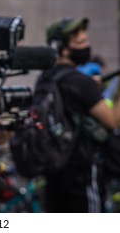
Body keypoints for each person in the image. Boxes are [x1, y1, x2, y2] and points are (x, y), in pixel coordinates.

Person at [42, 17, 120, 212]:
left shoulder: (46, 78)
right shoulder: (80, 82)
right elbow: (112, 121)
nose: (87, 46)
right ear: (63, 48)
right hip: (82, 175)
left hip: (53, 171)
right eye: (81, 43)